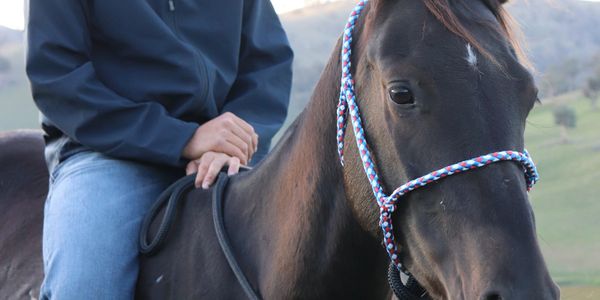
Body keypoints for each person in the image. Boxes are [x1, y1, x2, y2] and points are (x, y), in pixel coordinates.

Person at [25, 0, 293, 298]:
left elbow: (267, 61)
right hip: (107, 153)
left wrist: (231, 142)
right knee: (86, 288)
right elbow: (58, 78)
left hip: (222, 155)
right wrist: (183, 139)